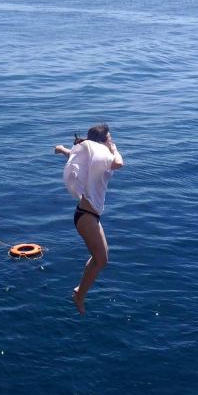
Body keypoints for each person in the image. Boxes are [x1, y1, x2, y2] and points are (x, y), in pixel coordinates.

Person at [55, 124, 123, 315]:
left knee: (101, 258)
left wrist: (62, 150)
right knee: (101, 260)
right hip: (86, 217)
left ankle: (80, 291)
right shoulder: (104, 153)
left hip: (88, 216)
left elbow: (76, 159)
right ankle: (79, 295)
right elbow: (119, 163)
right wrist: (114, 148)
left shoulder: (93, 157)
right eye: (109, 137)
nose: (110, 140)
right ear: (103, 140)